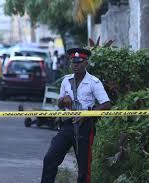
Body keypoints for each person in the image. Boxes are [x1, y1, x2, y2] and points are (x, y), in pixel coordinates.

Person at [41, 48, 111, 183]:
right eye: (73, 62)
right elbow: (60, 103)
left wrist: (86, 115)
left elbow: (106, 104)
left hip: (84, 127)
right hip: (67, 126)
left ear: (86, 63)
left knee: (84, 169)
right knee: (50, 159)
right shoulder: (66, 81)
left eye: (79, 62)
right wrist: (62, 100)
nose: (75, 65)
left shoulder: (93, 82)